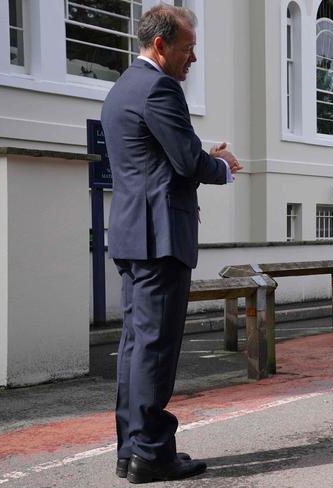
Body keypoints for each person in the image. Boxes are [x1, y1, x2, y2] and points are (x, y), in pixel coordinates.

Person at [101, 5, 242, 483]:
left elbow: (160, 154)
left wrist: (203, 152)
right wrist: (221, 167)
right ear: (160, 46)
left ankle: (132, 449)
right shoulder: (160, 87)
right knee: (155, 349)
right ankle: (152, 453)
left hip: (132, 235)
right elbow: (185, 161)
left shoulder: (123, 86)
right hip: (160, 238)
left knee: (136, 347)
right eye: (188, 49)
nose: (193, 59)